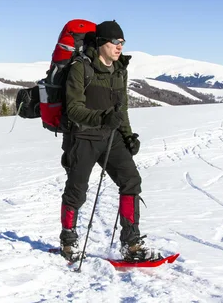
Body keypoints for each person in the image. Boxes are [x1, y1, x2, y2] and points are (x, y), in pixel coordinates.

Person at [59, 20, 160, 262]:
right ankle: (68, 241)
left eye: (122, 42)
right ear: (102, 43)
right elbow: (73, 109)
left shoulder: (119, 70)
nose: (119, 47)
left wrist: (127, 135)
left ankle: (131, 243)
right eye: (116, 42)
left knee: (131, 181)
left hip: (111, 137)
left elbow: (120, 109)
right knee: (76, 191)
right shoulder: (80, 68)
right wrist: (104, 118)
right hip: (82, 138)